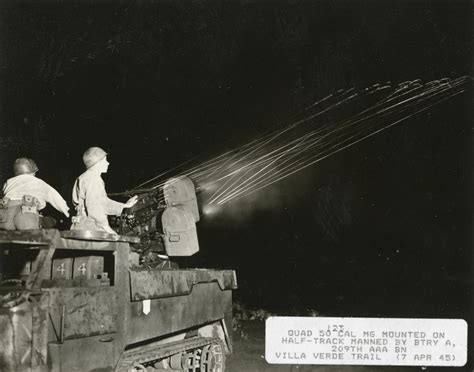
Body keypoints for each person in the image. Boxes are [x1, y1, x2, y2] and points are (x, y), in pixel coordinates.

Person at [71, 147, 137, 235]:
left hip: (80, 226)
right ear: (97, 163)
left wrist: (124, 206)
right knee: (124, 247)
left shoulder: (83, 177)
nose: (108, 163)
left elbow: (102, 202)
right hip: (91, 229)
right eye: (105, 161)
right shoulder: (94, 179)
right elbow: (95, 209)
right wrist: (108, 229)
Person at [0, 158, 70, 230]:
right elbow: (55, 197)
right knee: (46, 224)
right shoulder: (38, 182)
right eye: (34, 173)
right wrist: (67, 212)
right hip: (26, 215)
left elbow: (3, 194)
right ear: (31, 172)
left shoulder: (8, 182)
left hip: (6, 216)